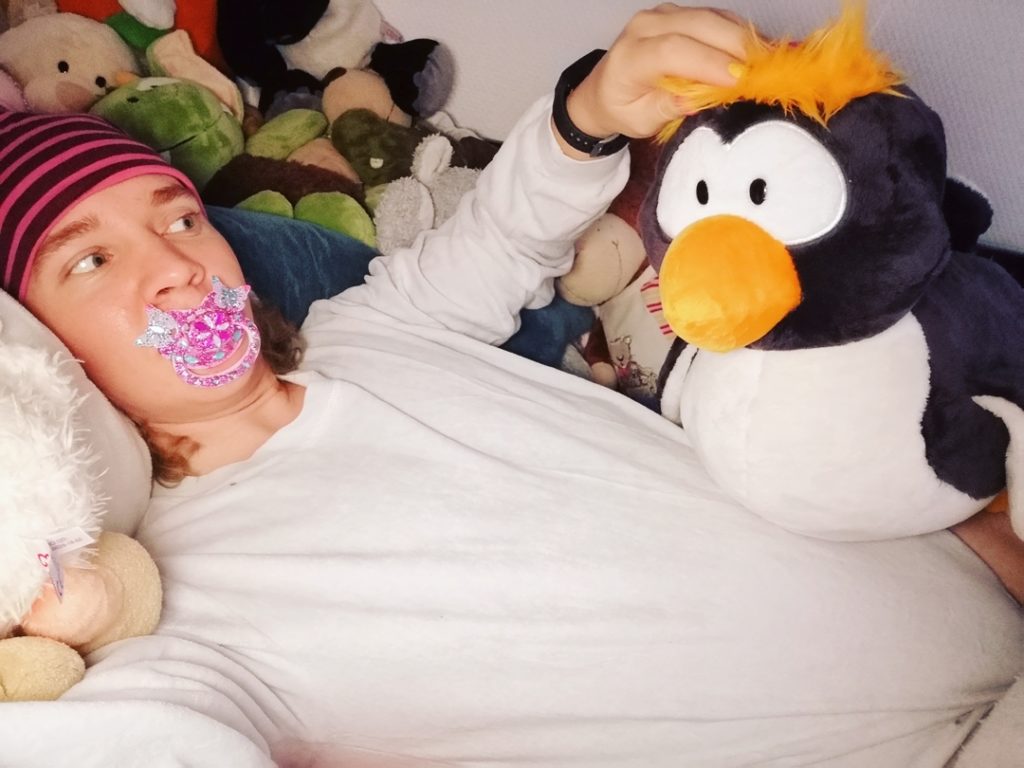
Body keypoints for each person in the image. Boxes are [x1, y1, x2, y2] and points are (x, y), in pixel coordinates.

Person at [0, 5, 1022, 767]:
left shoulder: (366, 327)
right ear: (38, 353)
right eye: (90, 261)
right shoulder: (185, 617)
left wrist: (592, 110)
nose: (177, 269)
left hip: (979, 562)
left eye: (180, 218)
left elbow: (501, 232)